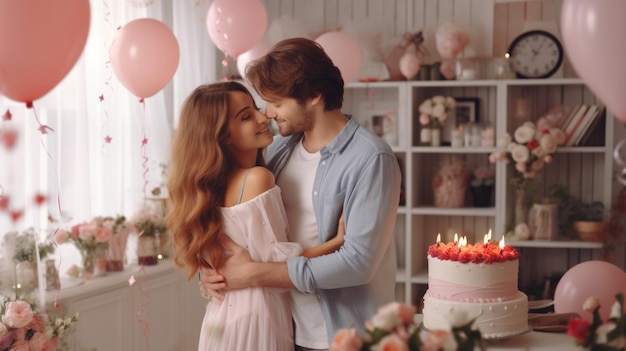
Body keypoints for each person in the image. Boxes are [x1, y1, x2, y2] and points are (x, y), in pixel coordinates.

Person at [201, 37, 402, 350]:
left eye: (278, 103)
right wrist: (213, 273)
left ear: (314, 97)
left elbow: (358, 263)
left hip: (343, 336)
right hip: (286, 330)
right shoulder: (279, 150)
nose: (268, 113)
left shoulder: (370, 158)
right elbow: (239, 225)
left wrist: (255, 274)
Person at [166, 81, 346, 351]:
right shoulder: (257, 179)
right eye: (247, 116)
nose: (264, 118)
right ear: (223, 135)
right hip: (256, 318)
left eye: (256, 109)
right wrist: (339, 241)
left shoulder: (210, 188)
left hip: (223, 317)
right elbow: (278, 262)